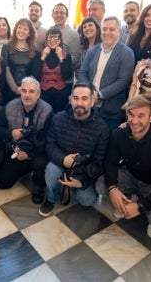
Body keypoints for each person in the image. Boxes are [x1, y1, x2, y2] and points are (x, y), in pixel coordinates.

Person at [96, 95, 151, 239]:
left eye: (141, 116)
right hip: (131, 175)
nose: (135, 121)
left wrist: (141, 207)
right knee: (101, 184)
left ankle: (142, 207)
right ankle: (127, 198)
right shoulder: (119, 134)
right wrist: (113, 189)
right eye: (131, 115)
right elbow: (110, 162)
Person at [39, 83, 110, 216]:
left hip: (85, 169)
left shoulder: (102, 128)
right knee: (51, 172)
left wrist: (83, 182)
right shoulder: (58, 119)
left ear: (92, 101)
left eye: (84, 98)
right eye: (76, 98)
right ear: (70, 100)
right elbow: (50, 145)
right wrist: (63, 159)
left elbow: (99, 161)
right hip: (62, 162)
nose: (79, 103)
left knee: (87, 200)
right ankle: (50, 198)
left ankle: (72, 186)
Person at [0, 76, 53, 203]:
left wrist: (29, 154)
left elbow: (48, 141)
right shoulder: (10, 106)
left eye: (32, 91)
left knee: (39, 163)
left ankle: (38, 185)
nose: (27, 95)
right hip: (16, 149)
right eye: (24, 91)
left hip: (38, 152)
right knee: (2, 183)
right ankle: (26, 169)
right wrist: (11, 133)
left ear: (38, 94)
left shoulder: (47, 111)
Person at [77, 16, 134, 130]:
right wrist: (90, 92)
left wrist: (99, 95)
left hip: (111, 111)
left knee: (107, 143)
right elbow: (82, 72)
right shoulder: (92, 51)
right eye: (104, 29)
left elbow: (123, 81)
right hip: (89, 107)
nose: (107, 32)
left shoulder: (127, 53)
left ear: (119, 32)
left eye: (112, 29)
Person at [32, 26, 73, 112]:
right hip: (43, 93)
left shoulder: (66, 56)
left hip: (61, 94)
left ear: (60, 39)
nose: (53, 40)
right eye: (50, 37)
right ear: (46, 39)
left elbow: (67, 76)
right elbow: (34, 75)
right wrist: (43, 57)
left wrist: (61, 58)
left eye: (56, 37)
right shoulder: (39, 55)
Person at [0, 18, 38, 103]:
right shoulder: (7, 46)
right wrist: (15, 88)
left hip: (27, 91)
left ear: (29, 33)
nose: (21, 31)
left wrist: (25, 88)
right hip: (9, 89)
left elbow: (34, 71)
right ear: (15, 29)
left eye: (25, 29)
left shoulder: (34, 49)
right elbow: (5, 69)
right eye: (19, 27)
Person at [51, 3, 81, 71]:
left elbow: (75, 58)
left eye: (62, 13)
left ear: (66, 16)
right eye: (56, 12)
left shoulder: (74, 34)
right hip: (47, 74)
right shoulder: (49, 31)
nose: (59, 15)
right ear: (52, 15)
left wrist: (61, 57)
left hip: (64, 76)